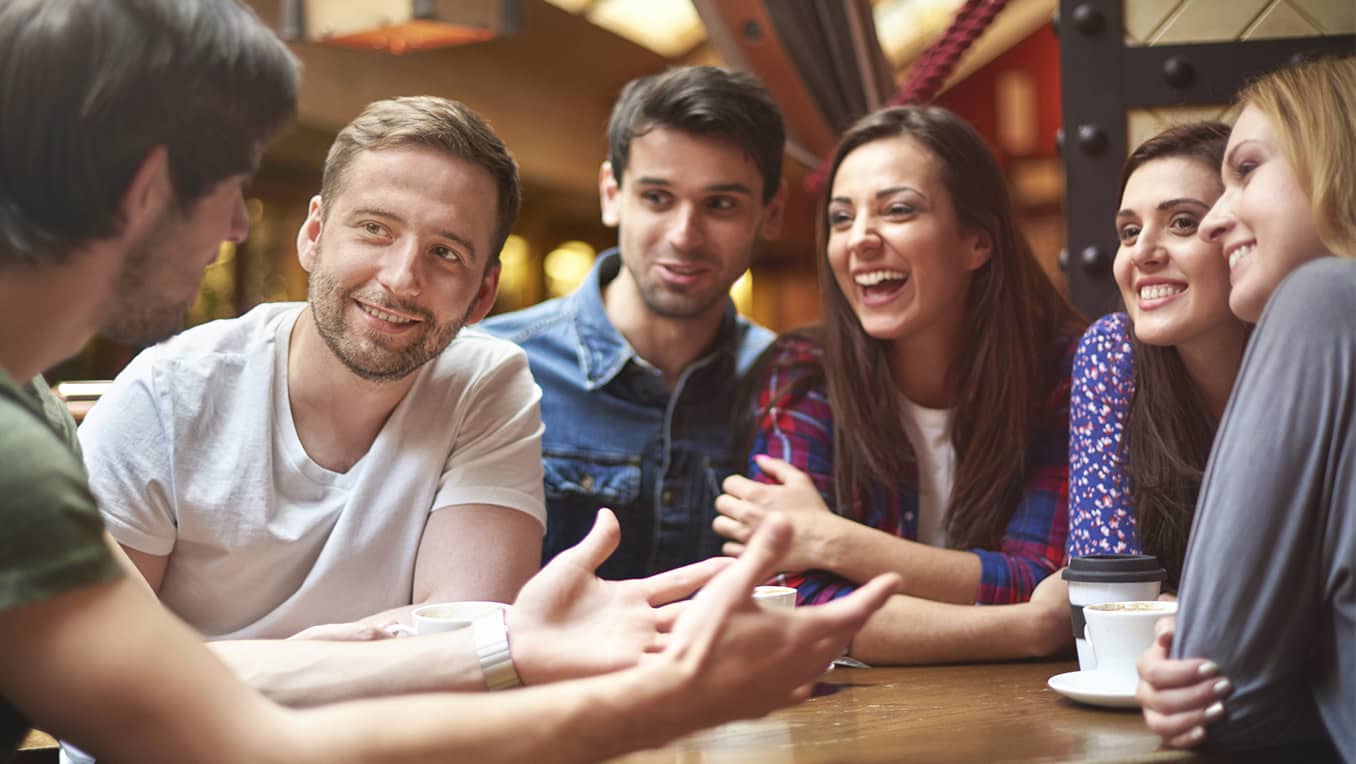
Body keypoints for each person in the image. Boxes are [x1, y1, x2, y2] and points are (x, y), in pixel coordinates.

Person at [0, 2, 898, 761]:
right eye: (234, 187)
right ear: (146, 190)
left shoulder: (29, 412)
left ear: (482, 290)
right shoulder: (89, 420)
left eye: (444, 253)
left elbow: (430, 656)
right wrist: (633, 685)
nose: (240, 225)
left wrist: (464, 647)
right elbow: (205, 720)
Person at [78, 96, 546, 645]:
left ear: (483, 293)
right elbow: (102, 672)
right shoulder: (170, 392)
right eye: (375, 229)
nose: (400, 278)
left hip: (386, 733)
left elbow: (464, 649)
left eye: (446, 253)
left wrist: (249, 667)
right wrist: (308, 663)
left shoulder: (486, 383)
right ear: (313, 235)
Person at [714, 105, 1086, 664]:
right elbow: (795, 601)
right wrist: (1029, 629)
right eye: (841, 218)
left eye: (898, 210)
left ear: (976, 242)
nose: (859, 239)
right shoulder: (803, 368)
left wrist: (833, 539)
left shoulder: (1069, 369)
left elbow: (1045, 571)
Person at [1135, 56, 1356, 760]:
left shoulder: (1323, 299)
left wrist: (1198, 648)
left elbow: (1221, 693)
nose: (1213, 222)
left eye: (1248, 169)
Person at [483, 66, 784, 579]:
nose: (685, 235)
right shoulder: (495, 367)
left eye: (721, 204)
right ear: (611, 193)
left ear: (771, 215)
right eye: (657, 198)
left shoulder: (788, 383)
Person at [1067, 122, 1250, 590]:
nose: (1142, 252)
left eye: (1182, 222)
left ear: (1244, 237)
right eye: (1129, 231)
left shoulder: (1312, 356)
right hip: (1146, 659)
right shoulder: (1112, 351)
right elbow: (1103, 585)